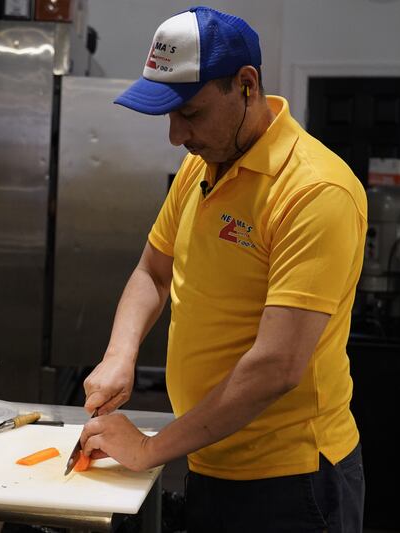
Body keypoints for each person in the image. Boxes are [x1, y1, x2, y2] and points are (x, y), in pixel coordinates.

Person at [78, 6, 367, 532]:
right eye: (168, 115)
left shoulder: (316, 192)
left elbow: (276, 367)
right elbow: (153, 272)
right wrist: (120, 355)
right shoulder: (200, 167)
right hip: (208, 453)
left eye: (189, 113)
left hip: (291, 479)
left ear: (246, 85)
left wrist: (149, 448)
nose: (175, 136)